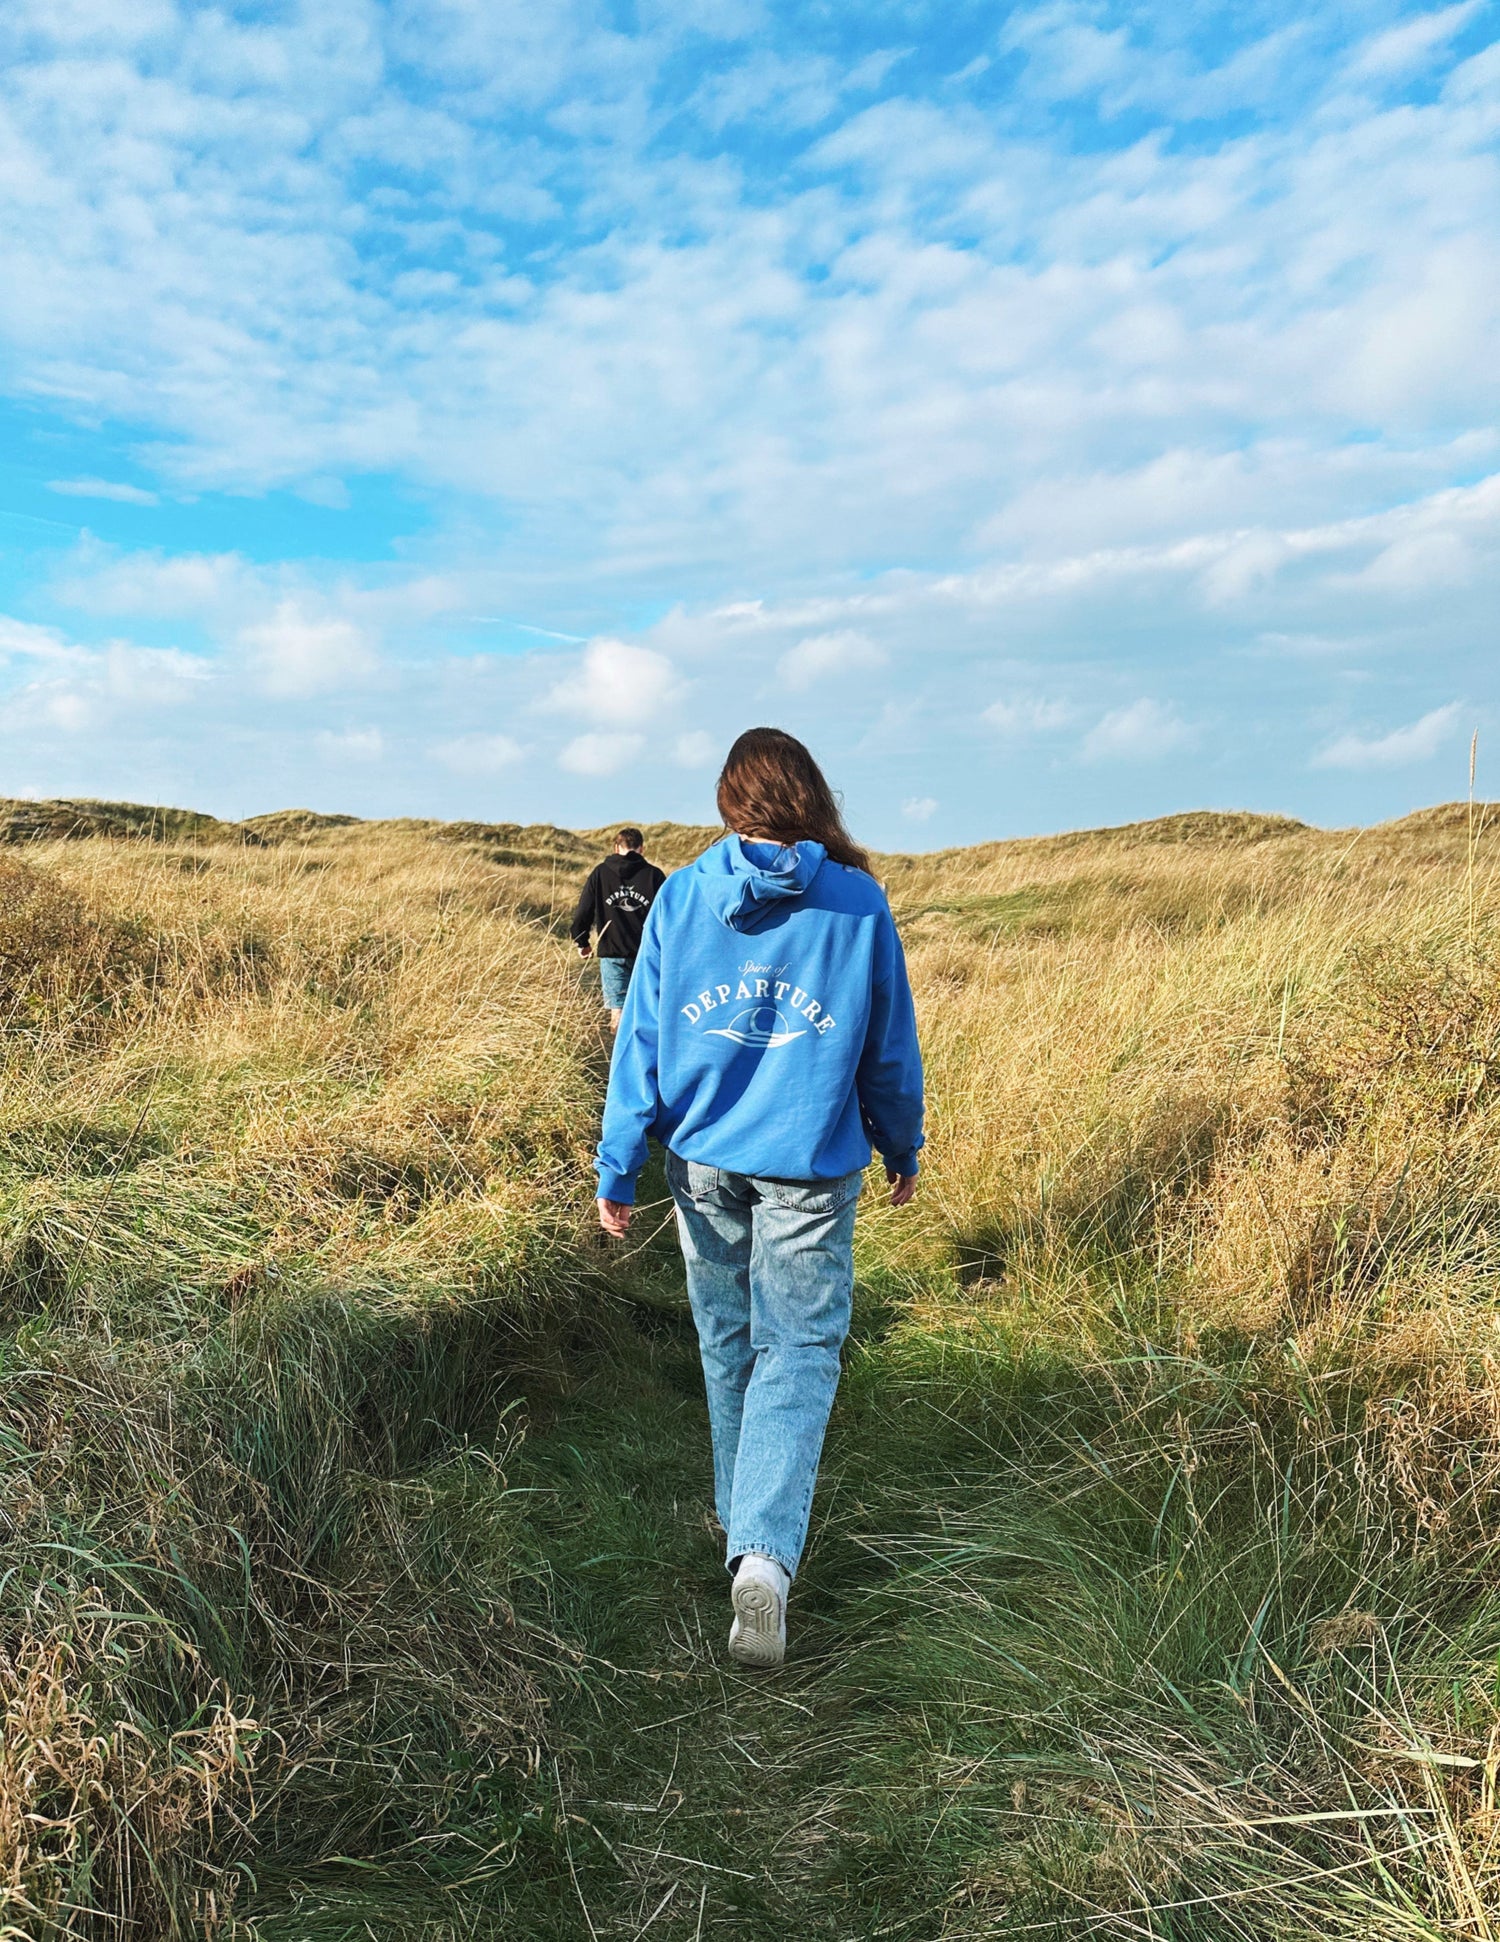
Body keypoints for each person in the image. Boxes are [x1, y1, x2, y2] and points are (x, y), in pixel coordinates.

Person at [594, 728, 924, 1669]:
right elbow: (887, 1047)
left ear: (728, 803)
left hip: (702, 1163)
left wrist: (618, 1165)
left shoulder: (685, 895)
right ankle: (765, 1560)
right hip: (810, 1166)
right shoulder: (857, 902)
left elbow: (643, 1042)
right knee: (800, 1347)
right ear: (812, 796)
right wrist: (901, 1142)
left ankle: (748, 1534)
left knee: (733, 1342)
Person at [571, 827, 665, 1028]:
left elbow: (583, 910)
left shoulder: (600, 873)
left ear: (616, 848)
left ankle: (619, 1056)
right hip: (647, 954)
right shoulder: (654, 875)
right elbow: (670, 916)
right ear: (642, 848)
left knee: (618, 1012)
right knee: (647, 1011)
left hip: (613, 953)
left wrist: (582, 941)